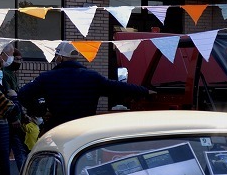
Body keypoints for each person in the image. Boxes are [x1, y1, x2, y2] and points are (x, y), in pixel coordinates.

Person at [17, 41, 152, 132]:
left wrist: (39, 110)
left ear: (61, 57)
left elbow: (23, 94)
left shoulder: (47, 78)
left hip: (57, 128)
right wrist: (144, 91)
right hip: (85, 129)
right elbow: (118, 87)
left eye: (56, 56)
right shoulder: (92, 77)